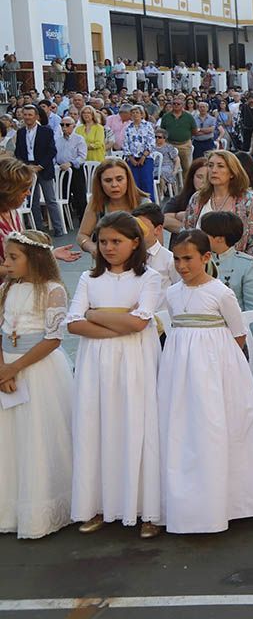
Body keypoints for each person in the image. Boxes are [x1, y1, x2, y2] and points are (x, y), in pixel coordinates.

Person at [158, 230, 253, 534]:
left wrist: (220, 368)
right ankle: (186, 504)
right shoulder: (171, 293)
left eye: (188, 259)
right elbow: (177, 328)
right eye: (177, 259)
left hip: (216, 369)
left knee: (214, 427)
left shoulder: (221, 293)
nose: (181, 266)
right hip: (179, 369)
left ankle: (229, 502)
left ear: (206, 258)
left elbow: (238, 333)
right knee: (183, 429)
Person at [66, 212, 164, 539]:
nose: (108, 248)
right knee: (98, 427)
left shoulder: (148, 277)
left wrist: (95, 315)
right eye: (103, 241)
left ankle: (146, 508)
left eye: (116, 241)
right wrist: (114, 325)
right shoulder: (88, 279)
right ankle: (100, 505)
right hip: (96, 362)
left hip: (136, 361)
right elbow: (73, 323)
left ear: (134, 242)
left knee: (139, 426)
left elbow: (139, 322)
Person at [0, 230, 74, 539]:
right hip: (6, 366)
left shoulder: (52, 291)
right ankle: (9, 505)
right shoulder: (6, 289)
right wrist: (3, 368)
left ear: (36, 259)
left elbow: (53, 338)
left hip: (37, 369)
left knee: (38, 435)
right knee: (10, 438)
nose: (6, 263)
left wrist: (16, 367)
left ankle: (41, 505)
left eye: (13, 257)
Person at [75, 157, 144, 259]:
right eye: (108, 180)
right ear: (100, 183)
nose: (114, 185)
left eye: (119, 179)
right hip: (106, 263)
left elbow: (154, 242)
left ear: (128, 179)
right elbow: (82, 235)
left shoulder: (143, 204)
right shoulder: (97, 203)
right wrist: (93, 248)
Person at [15, 105, 66, 238]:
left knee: (50, 199)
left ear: (36, 116)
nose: (27, 117)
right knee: (33, 201)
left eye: (30, 115)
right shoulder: (20, 132)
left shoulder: (46, 131)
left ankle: (58, 228)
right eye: (25, 115)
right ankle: (38, 229)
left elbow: (51, 151)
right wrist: (26, 166)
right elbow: (18, 152)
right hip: (28, 169)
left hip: (43, 168)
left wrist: (40, 166)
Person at [200, 211, 253, 312]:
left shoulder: (247, 265)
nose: (200, 236)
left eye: (204, 233)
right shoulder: (199, 260)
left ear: (220, 238)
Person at [159, 96, 197, 174]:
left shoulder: (188, 117)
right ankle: (172, 184)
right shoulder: (166, 117)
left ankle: (186, 185)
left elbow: (194, 130)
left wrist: (185, 136)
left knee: (186, 168)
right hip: (170, 144)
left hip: (184, 145)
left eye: (178, 104)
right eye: (174, 103)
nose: (176, 105)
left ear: (182, 105)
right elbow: (162, 131)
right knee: (169, 167)